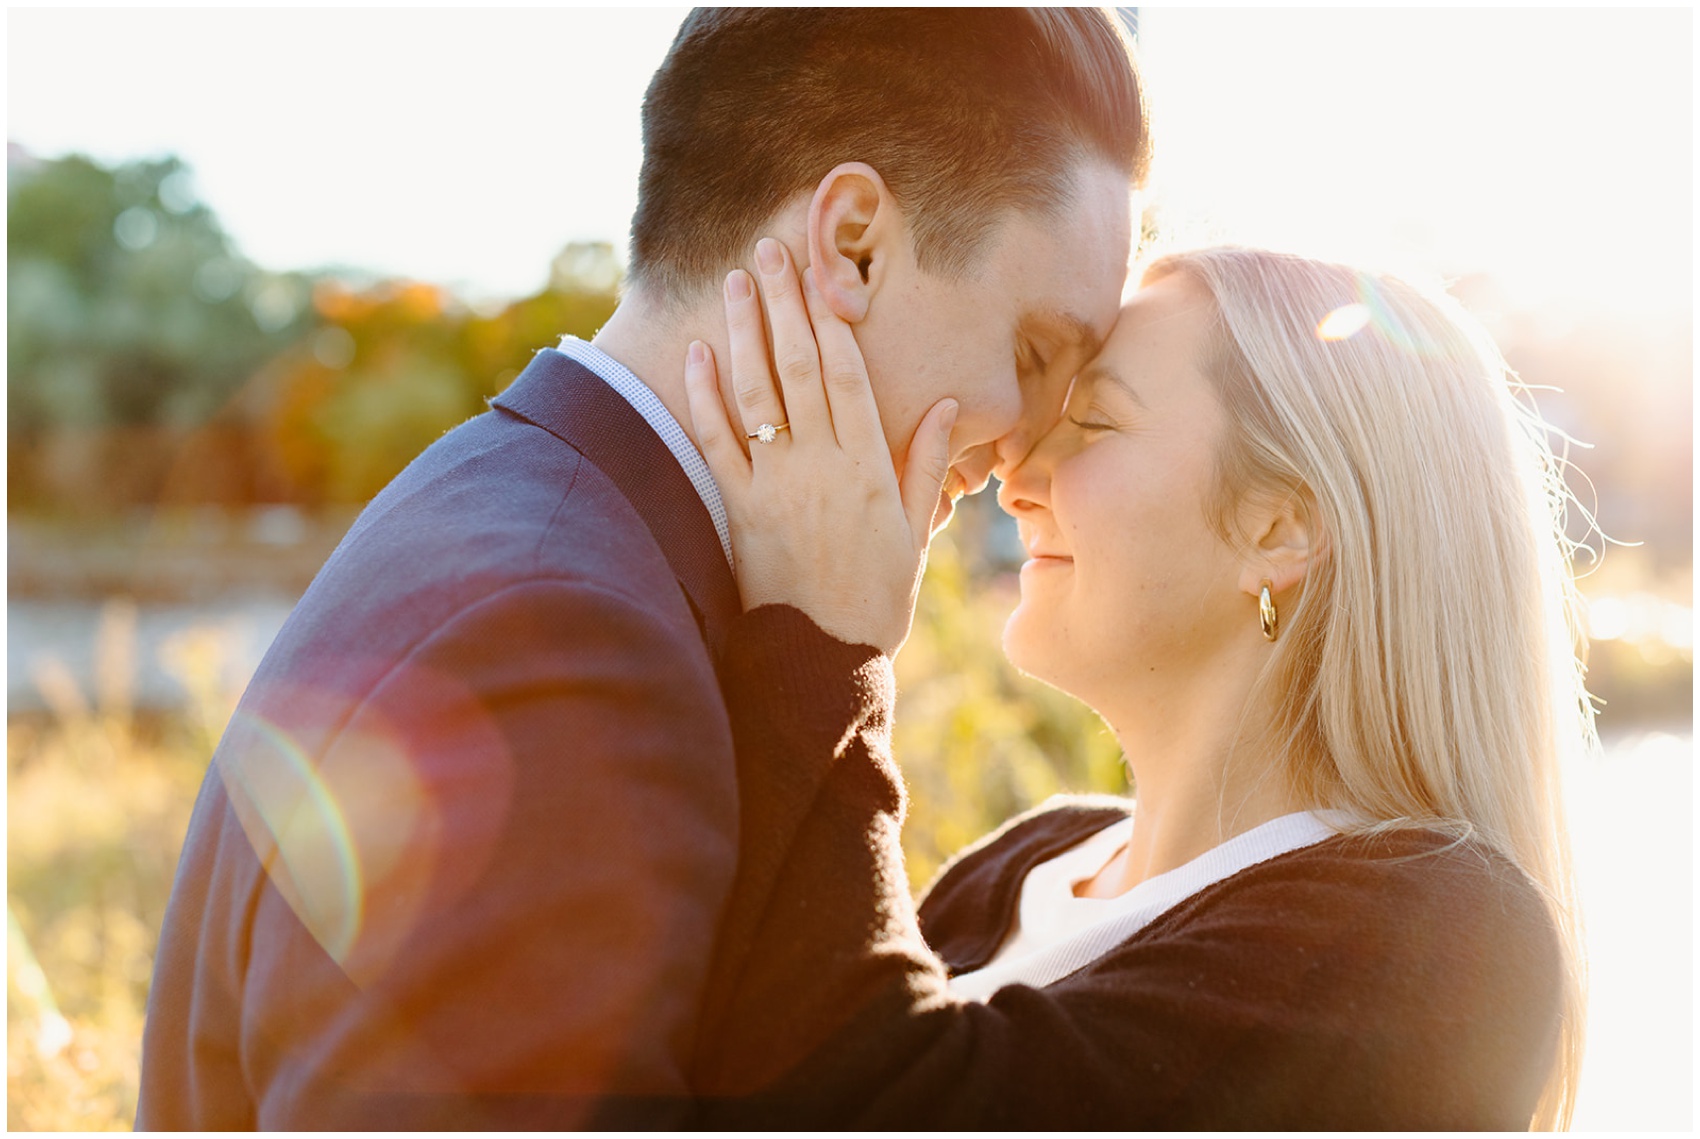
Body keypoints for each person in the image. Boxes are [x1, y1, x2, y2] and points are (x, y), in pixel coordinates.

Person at [134, 8, 1149, 1129]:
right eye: (1029, 352)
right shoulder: (559, 641)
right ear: (851, 240)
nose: (1023, 442)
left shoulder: (521, 508)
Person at [681, 244, 1590, 1128]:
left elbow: (875, 1102)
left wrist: (821, 637)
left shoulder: (1436, 933)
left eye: (1095, 422)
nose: (1015, 475)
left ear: (1278, 526)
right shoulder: (1029, 860)